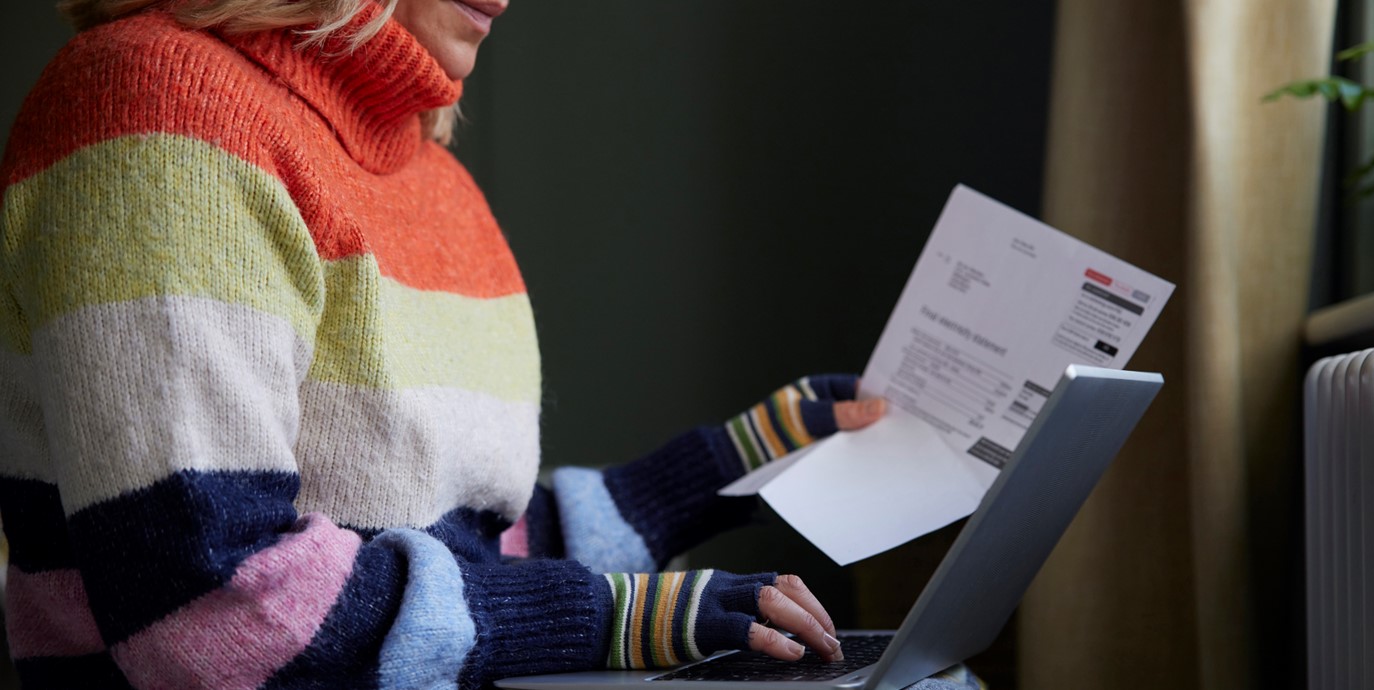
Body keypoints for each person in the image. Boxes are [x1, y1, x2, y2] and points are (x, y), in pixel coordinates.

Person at [0, 0, 980, 688]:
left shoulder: (436, 186)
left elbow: (461, 556)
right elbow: (216, 616)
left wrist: (737, 458)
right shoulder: (155, 114)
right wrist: (619, 621)